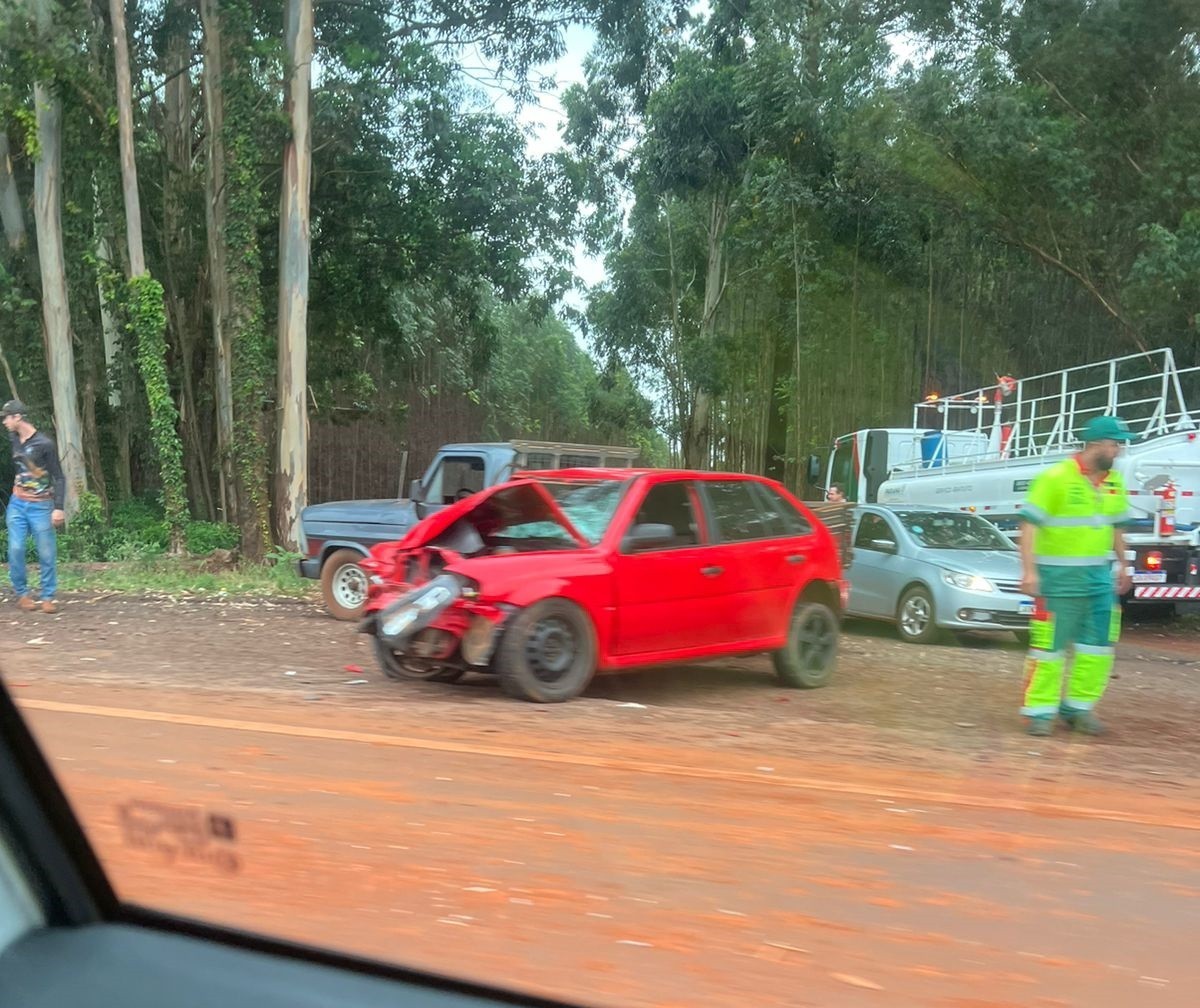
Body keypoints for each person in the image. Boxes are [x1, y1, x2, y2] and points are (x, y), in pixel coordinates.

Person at [1017, 415, 1134, 737]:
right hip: (1056, 583)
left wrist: (1125, 565)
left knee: (1097, 649)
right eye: (1114, 445)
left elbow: (1116, 528)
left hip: (1098, 583)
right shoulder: (1055, 478)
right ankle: (1039, 712)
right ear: (1096, 445)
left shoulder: (1114, 482)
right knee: (1047, 650)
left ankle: (1079, 709)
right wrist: (1028, 572)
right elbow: (1028, 527)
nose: (1118, 451)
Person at [3, 400, 66, 614]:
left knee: (46, 552)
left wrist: (58, 507)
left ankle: (48, 596)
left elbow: (58, 477)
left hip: (41, 506)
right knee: (16, 548)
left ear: (17, 417)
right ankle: (22, 594)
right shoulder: (14, 439)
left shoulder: (45, 444)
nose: (4, 422)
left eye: (6, 417)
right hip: (17, 504)